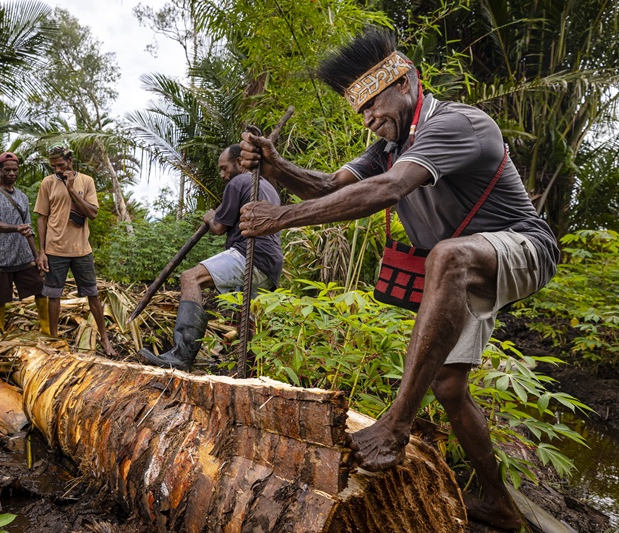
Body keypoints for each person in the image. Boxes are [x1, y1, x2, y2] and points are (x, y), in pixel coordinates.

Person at [237, 27, 559, 531]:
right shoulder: (387, 147)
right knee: (449, 386)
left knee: (447, 256)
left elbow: (388, 190)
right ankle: (501, 505)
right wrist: (278, 168)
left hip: (525, 247)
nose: (368, 119)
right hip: (464, 264)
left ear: (405, 82)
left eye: (372, 105)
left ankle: (395, 426)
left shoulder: (458, 123)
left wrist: (280, 218)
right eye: (360, 111)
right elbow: (328, 186)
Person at [139, 144, 284, 371]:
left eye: (224, 168)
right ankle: (248, 369)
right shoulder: (269, 188)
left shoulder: (239, 181)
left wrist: (210, 217)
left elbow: (218, 227)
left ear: (239, 163)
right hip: (271, 263)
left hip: (251, 253)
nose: (222, 175)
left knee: (190, 278)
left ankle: (182, 353)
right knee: (246, 316)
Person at [34, 144, 116, 356]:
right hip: (55, 249)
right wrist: (42, 252)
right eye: (54, 166)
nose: (58, 170)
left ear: (70, 161)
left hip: (81, 250)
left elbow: (93, 213)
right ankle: (54, 340)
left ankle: (105, 340)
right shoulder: (47, 183)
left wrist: (71, 189)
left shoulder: (86, 181)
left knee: (92, 294)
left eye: (61, 165)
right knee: (53, 296)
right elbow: (42, 218)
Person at [0, 151, 50, 335]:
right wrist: (16, 228)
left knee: (41, 289)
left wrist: (37, 257)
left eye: (15, 170)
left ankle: (47, 330)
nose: (11, 173)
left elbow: (28, 229)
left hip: (23, 256)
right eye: (7, 170)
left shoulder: (22, 197)